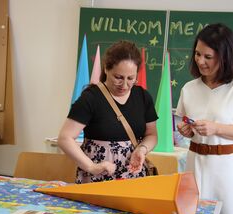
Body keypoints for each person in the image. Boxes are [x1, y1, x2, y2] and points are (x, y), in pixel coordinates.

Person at [176, 23, 233, 214]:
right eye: (197, 54)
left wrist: (216, 128)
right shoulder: (189, 88)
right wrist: (186, 131)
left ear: (224, 57)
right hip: (194, 164)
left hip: (224, 169)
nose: (200, 61)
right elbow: (185, 126)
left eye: (208, 57)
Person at [58, 40, 158, 183]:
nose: (124, 85)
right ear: (106, 69)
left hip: (133, 177)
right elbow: (65, 138)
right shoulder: (91, 98)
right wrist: (91, 166)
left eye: (131, 78)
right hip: (96, 178)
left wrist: (142, 149)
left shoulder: (143, 97)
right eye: (118, 77)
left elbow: (152, 134)